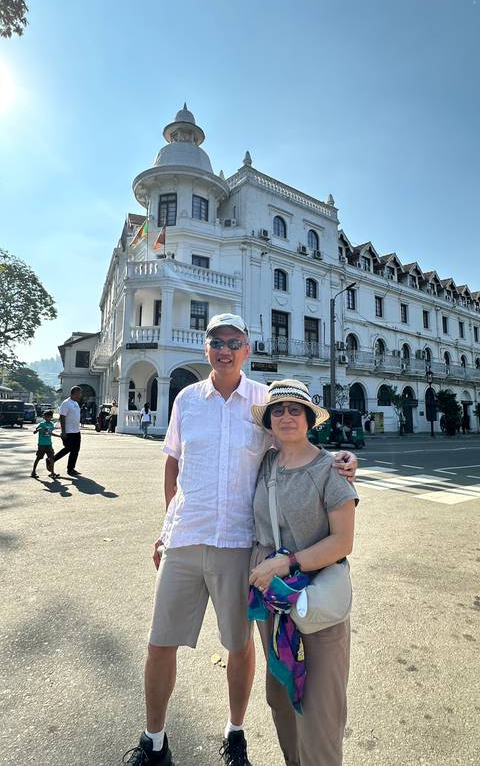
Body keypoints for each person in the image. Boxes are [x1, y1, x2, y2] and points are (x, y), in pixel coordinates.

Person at [122, 314, 358, 766]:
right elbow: (172, 461)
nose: (225, 349)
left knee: (239, 644)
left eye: (234, 342)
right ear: (205, 347)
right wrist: (165, 526)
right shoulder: (187, 399)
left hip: (238, 544)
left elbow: (298, 445)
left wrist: (343, 462)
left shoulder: (265, 400)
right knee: (159, 642)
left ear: (247, 349)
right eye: (217, 341)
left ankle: (235, 734)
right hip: (186, 535)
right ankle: (154, 740)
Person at [249, 380, 358, 766]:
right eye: (277, 410)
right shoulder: (264, 464)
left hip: (318, 602)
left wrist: (287, 562)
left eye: (296, 409)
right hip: (273, 601)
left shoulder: (331, 469)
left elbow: (342, 542)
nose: (286, 416)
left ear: (310, 419)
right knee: (280, 697)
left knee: (321, 708)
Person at [51, 386, 83, 477]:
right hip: (68, 431)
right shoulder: (66, 403)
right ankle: (51, 460)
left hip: (76, 431)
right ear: (75, 393)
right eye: (79, 393)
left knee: (75, 450)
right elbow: (62, 417)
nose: (80, 395)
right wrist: (63, 431)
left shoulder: (76, 403)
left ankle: (71, 469)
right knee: (68, 448)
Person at [30, 410, 60, 480]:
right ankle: (33, 472)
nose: (47, 418)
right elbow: (35, 431)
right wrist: (37, 430)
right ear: (44, 417)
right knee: (38, 458)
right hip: (42, 444)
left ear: (51, 417)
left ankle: (52, 472)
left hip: (49, 444)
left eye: (49, 417)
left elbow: (50, 433)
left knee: (52, 458)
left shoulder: (51, 424)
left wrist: (59, 436)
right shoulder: (42, 424)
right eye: (46, 417)